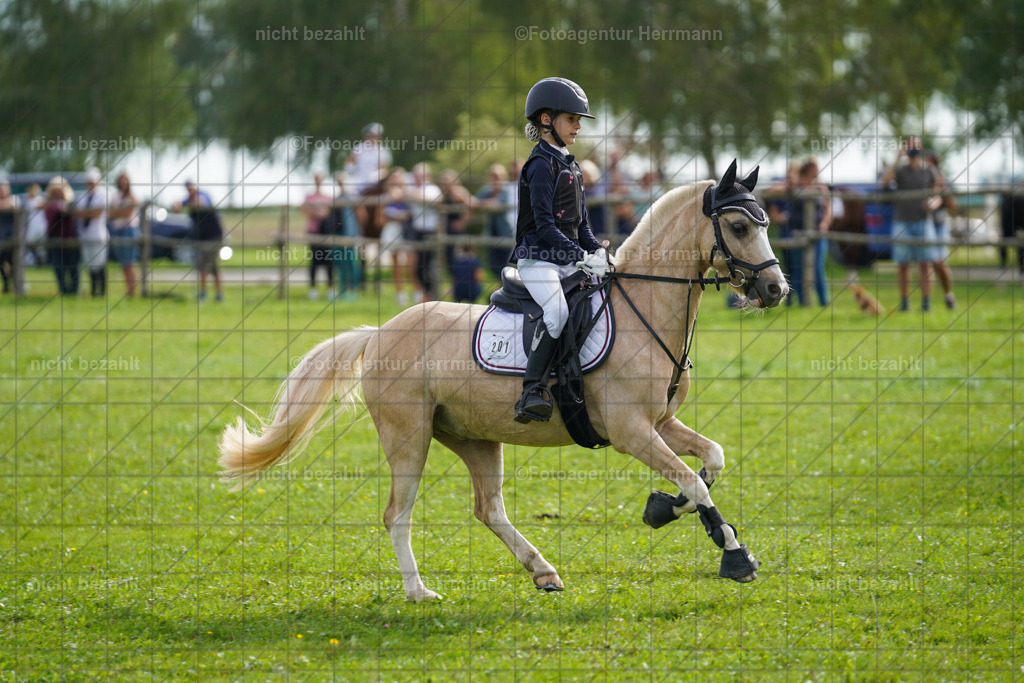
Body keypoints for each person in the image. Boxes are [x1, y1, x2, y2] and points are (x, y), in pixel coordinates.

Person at [511, 77, 608, 423]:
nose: (578, 126)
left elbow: (581, 226)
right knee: (557, 313)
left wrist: (597, 252)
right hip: (538, 260)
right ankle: (531, 390)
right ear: (546, 119)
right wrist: (580, 257)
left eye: (579, 120)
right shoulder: (540, 165)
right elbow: (545, 226)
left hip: (565, 259)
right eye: (571, 119)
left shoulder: (572, 165)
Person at [881, 137, 940, 312]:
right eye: (909, 146)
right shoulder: (899, 169)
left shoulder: (929, 170)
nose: (912, 149)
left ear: (921, 148)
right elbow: (885, 182)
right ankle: (904, 302)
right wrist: (897, 159)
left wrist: (932, 204)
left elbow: (937, 194)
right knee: (903, 264)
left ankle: (926, 302)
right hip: (902, 222)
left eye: (915, 146)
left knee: (925, 263)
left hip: (923, 221)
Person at [173, 180, 224, 301]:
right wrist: (179, 204)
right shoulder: (188, 200)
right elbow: (176, 208)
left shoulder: (203, 195)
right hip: (204, 238)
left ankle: (204, 293)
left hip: (213, 237)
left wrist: (187, 202)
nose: (190, 190)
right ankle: (218, 294)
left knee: (203, 265)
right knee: (213, 266)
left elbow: (200, 203)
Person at [791, 158, 832, 306]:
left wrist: (825, 223)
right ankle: (802, 302)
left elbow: (828, 209)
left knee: (818, 268)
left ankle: (824, 302)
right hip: (798, 232)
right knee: (798, 269)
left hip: (817, 233)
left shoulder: (821, 187)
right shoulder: (796, 184)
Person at [766, 161, 803, 305]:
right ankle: (789, 300)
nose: (790, 175)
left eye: (793, 172)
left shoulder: (803, 188)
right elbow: (774, 211)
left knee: (799, 268)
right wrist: (781, 218)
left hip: (799, 233)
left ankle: (801, 299)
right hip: (786, 233)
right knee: (788, 267)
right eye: (789, 171)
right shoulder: (781, 189)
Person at [376, 167, 413, 305]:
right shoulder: (384, 198)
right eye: (394, 177)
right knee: (396, 264)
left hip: (408, 232)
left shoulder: (410, 195)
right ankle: (401, 294)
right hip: (392, 232)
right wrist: (396, 218)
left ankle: (418, 292)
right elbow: (379, 221)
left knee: (412, 263)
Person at [407, 163, 442, 303]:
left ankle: (431, 295)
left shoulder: (432, 188)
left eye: (420, 175)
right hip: (417, 231)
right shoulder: (415, 189)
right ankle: (427, 295)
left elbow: (435, 202)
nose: (417, 178)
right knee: (419, 267)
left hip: (429, 231)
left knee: (427, 265)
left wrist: (414, 195)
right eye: (415, 176)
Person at [926, 151, 957, 309]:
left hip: (940, 224)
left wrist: (943, 187)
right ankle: (927, 301)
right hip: (926, 223)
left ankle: (948, 295)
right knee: (929, 262)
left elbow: (952, 206)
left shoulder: (945, 181)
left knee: (940, 262)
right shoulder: (922, 180)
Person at [476, 163, 516, 280]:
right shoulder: (487, 190)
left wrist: (481, 204)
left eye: (497, 176)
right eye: (492, 176)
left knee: (507, 266)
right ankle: (502, 287)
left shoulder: (508, 190)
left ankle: (506, 287)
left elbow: (496, 204)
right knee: (493, 265)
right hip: (491, 234)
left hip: (507, 234)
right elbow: (473, 202)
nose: (494, 179)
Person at [327, 172, 363, 301]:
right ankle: (342, 289)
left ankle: (352, 289)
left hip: (350, 234)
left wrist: (359, 232)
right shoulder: (336, 198)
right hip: (337, 234)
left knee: (351, 262)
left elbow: (360, 215)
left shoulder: (352, 197)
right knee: (340, 263)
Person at [76, 168, 109, 298]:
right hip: (85, 235)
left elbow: (97, 213)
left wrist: (85, 213)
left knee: (100, 264)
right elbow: (78, 214)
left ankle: (101, 292)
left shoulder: (102, 195)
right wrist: (88, 213)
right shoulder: (83, 196)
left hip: (98, 235)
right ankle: (94, 290)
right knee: (90, 265)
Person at [45, 176, 79, 295]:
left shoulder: (72, 203)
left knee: (73, 266)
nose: (57, 193)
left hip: (70, 239)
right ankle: (63, 290)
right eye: (55, 191)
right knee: (58, 266)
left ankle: (74, 291)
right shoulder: (49, 205)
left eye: (59, 190)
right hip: (55, 239)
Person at [107, 172, 140, 297]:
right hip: (118, 231)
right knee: (123, 263)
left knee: (130, 262)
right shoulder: (116, 196)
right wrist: (121, 211)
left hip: (129, 230)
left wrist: (118, 212)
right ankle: (128, 290)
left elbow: (128, 213)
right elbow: (110, 214)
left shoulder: (132, 196)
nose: (123, 183)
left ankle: (132, 291)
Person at [302, 172, 334, 300]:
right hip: (314, 231)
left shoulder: (328, 197)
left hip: (326, 232)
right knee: (314, 261)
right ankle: (313, 288)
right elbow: (305, 211)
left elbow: (330, 212)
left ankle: (330, 287)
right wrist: (318, 212)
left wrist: (319, 212)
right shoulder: (309, 196)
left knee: (329, 260)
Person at [438, 169, 475, 273]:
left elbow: (471, 205)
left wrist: (462, 222)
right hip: (447, 231)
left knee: (458, 259)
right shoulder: (445, 194)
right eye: (443, 182)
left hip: (457, 232)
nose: (445, 184)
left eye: (447, 181)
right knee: (449, 259)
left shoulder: (459, 192)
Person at [0, 179, 19, 293]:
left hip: (12, 237)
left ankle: (15, 285)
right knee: (2, 262)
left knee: (12, 261)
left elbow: (12, 206)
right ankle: (6, 284)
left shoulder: (14, 199)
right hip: (1, 238)